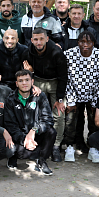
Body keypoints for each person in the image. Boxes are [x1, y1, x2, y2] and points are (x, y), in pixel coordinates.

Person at [22, 28, 68, 163]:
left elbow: (63, 77)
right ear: (32, 40)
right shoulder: (27, 52)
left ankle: (56, 146)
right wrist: (32, 79)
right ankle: (36, 142)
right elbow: (23, 75)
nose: (39, 42)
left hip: (55, 82)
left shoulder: (57, 52)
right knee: (33, 112)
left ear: (47, 39)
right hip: (37, 81)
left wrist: (60, 99)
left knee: (59, 113)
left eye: (41, 39)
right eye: (36, 39)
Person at [63, 31, 99, 162]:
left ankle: (93, 147)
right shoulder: (68, 55)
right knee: (70, 120)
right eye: (82, 41)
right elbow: (66, 79)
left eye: (89, 42)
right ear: (78, 42)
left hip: (93, 93)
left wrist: (94, 103)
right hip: (73, 92)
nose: (85, 45)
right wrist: (71, 101)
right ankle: (69, 146)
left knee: (94, 121)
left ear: (93, 43)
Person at [3, 70, 55, 175]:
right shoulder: (11, 99)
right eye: (20, 81)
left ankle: (42, 161)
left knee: (51, 132)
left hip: (36, 134)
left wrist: (34, 130)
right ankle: (14, 157)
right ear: (16, 83)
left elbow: (48, 119)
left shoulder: (40, 96)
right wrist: (25, 140)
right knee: (23, 153)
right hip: (20, 137)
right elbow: (10, 125)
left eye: (27, 80)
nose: (24, 83)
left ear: (32, 81)